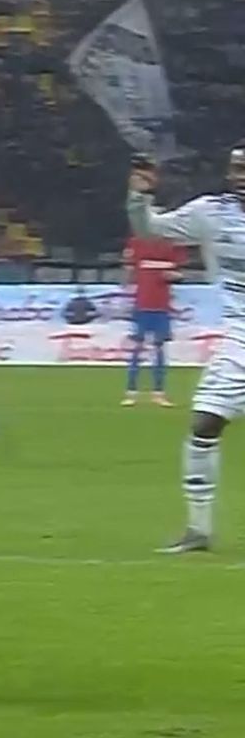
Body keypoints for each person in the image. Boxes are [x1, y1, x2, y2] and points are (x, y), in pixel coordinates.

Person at [126, 145, 245, 554]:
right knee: (205, 423)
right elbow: (149, 231)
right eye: (237, 168)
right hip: (241, 337)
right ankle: (198, 530)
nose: (241, 176)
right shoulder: (211, 212)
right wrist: (138, 196)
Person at [121, 233, 185, 407]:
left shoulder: (172, 243)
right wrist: (127, 285)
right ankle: (131, 392)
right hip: (142, 307)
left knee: (159, 350)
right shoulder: (137, 242)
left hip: (162, 308)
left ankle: (158, 392)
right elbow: (128, 270)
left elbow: (179, 273)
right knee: (137, 349)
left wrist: (175, 277)